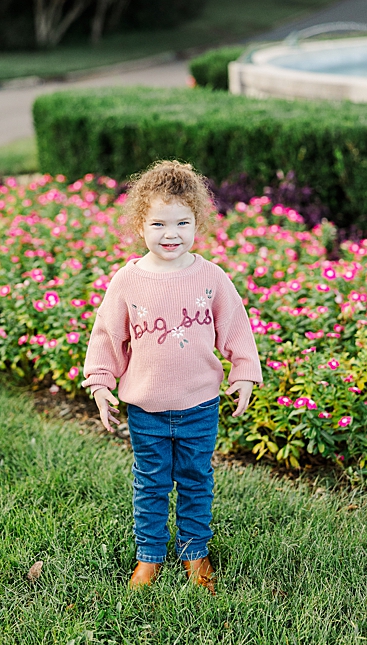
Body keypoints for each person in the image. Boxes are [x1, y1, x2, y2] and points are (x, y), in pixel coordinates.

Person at [81, 160, 261, 594]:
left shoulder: (211, 277)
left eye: (182, 222)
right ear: (140, 224)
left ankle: (195, 551)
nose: (171, 233)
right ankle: (149, 556)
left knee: (197, 478)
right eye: (158, 223)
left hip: (199, 404)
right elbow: (108, 334)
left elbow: (235, 326)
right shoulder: (128, 280)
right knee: (152, 483)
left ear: (197, 221)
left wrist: (243, 372)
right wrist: (101, 381)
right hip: (146, 407)